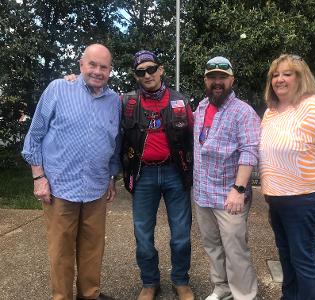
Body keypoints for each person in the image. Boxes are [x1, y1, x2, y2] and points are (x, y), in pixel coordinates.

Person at [22, 44, 120, 300]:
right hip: (59, 189)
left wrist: (111, 177)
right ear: (81, 64)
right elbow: (35, 135)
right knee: (61, 252)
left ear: (110, 70)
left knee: (92, 250)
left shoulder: (114, 101)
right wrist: (38, 177)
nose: (98, 71)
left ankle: (89, 295)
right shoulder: (58, 88)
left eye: (104, 67)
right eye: (93, 65)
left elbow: (114, 142)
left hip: (96, 189)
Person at [259, 54, 315, 300]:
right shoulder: (272, 112)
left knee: (303, 260)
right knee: (287, 258)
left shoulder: (313, 107)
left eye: (287, 74)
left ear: (301, 77)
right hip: (277, 197)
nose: (280, 79)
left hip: (306, 197)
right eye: (275, 75)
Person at [120, 50, 194, 300]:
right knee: (142, 234)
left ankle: (180, 281)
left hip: (175, 172)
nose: (147, 74)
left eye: (152, 69)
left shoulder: (181, 102)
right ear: (136, 76)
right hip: (143, 175)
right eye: (141, 72)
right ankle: (150, 282)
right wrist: (73, 81)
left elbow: (195, 140)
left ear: (161, 70)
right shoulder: (126, 103)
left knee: (182, 234)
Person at [193, 56, 259, 300]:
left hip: (230, 195)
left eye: (222, 77)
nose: (217, 82)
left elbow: (250, 150)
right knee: (212, 246)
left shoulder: (243, 112)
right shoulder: (200, 107)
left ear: (231, 80)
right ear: (205, 80)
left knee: (235, 249)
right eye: (212, 77)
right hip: (202, 193)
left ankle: (244, 295)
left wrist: (239, 189)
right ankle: (222, 288)